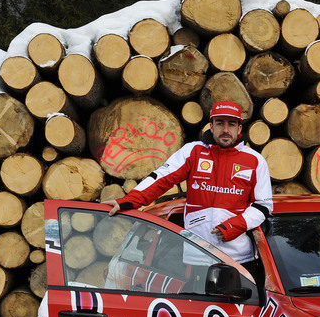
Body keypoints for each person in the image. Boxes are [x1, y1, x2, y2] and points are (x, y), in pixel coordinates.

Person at [103, 100, 273, 282]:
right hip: (196, 257)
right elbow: (162, 177)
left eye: (231, 124)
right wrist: (129, 201)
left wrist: (234, 226)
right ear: (211, 125)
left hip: (238, 257)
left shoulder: (255, 160)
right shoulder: (193, 151)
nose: (225, 129)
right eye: (220, 123)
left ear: (239, 128)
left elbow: (263, 206)